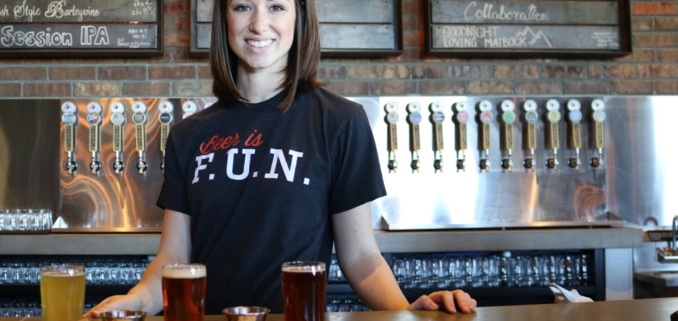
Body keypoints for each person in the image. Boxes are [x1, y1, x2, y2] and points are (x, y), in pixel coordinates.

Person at [86, 0, 477, 316]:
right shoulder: (190, 135)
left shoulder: (339, 122)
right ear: (224, 18)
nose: (258, 24)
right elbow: (172, 260)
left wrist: (407, 312)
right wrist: (134, 300)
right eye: (242, 7)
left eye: (276, 7)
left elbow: (361, 258)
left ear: (299, 18)